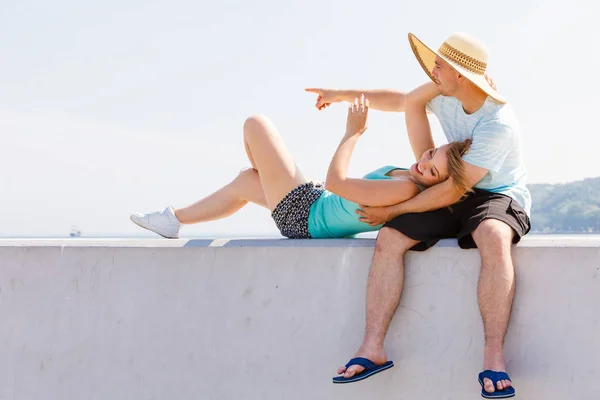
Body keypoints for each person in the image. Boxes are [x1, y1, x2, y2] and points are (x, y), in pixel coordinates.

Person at [309, 32, 530, 398]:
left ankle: (493, 356)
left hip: (496, 194)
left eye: (439, 65)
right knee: (390, 236)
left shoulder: (498, 124)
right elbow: (402, 101)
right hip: (457, 191)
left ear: (461, 74)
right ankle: (372, 349)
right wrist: (341, 95)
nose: (432, 70)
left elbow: (454, 190)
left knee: (492, 235)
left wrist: (393, 208)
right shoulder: (445, 95)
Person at [130, 96, 471, 241]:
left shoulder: (406, 189)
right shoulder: (410, 175)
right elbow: (412, 101)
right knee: (245, 181)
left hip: (304, 216)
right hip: (311, 203)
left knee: (256, 124)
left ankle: (271, 186)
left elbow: (337, 183)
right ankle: (172, 219)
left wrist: (352, 133)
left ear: (433, 185)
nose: (423, 163)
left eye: (431, 171)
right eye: (430, 154)